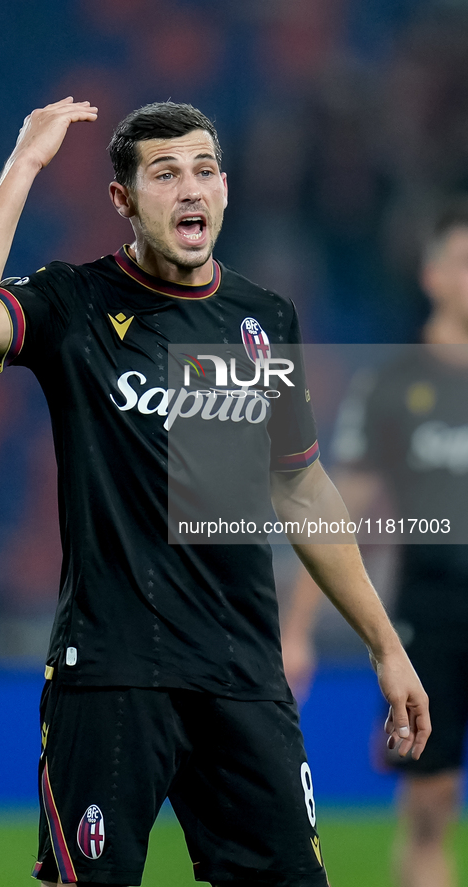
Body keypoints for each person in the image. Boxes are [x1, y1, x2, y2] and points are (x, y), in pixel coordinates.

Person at [0, 97, 430, 887]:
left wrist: (384, 644)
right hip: (111, 674)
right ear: (123, 201)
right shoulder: (76, 304)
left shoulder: (260, 318)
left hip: (240, 673)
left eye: (202, 171)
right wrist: (25, 161)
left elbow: (297, 486)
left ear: (225, 189)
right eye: (164, 175)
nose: (189, 188)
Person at [281, 202, 468, 887]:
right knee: (428, 807)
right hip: (432, 606)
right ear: (433, 276)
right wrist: (296, 630)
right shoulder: (391, 385)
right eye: (464, 263)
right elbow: (332, 513)